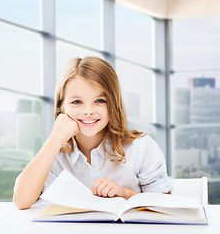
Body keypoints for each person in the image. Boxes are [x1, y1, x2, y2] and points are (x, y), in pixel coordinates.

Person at [13, 56, 172, 210]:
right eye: (77, 102)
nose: (88, 111)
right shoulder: (55, 152)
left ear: (114, 103)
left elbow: (166, 205)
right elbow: (21, 201)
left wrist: (123, 193)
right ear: (62, 106)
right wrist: (55, 138)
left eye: (100, 101)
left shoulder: (141, 147)